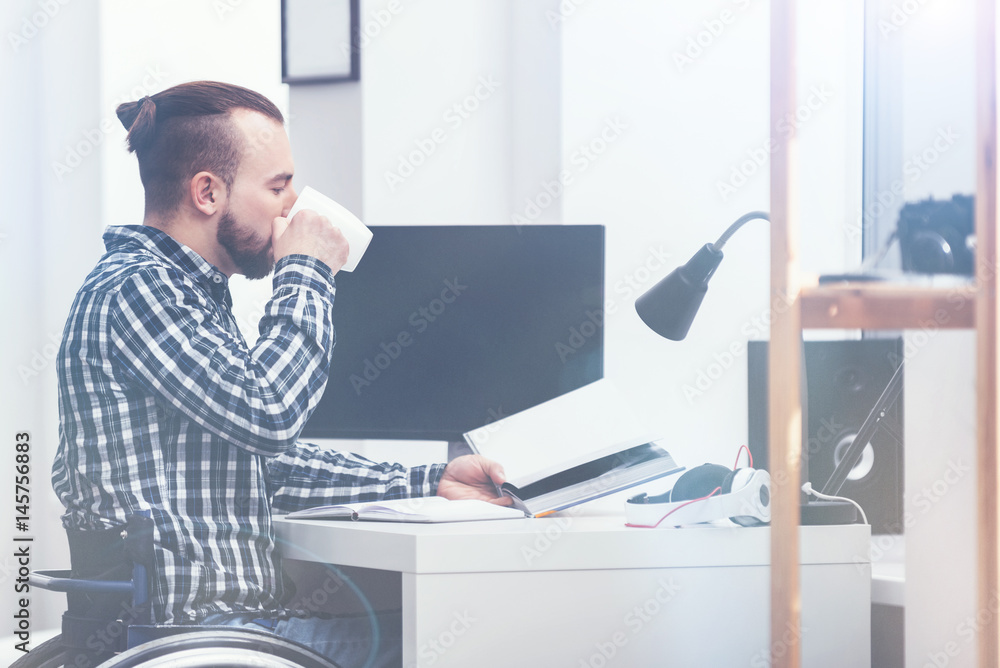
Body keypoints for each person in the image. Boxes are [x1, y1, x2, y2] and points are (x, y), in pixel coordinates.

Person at [51, 80, 508, 667]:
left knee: (445, 620)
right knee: (464, 640)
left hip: (228, 629)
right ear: (208, 192)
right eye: (277, 186)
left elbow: (257, 464)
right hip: (193, 640)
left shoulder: (181, 293)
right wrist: (307, 269)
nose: (292, 207)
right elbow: (269, 413)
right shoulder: (139, 289)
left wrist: (428, 481)